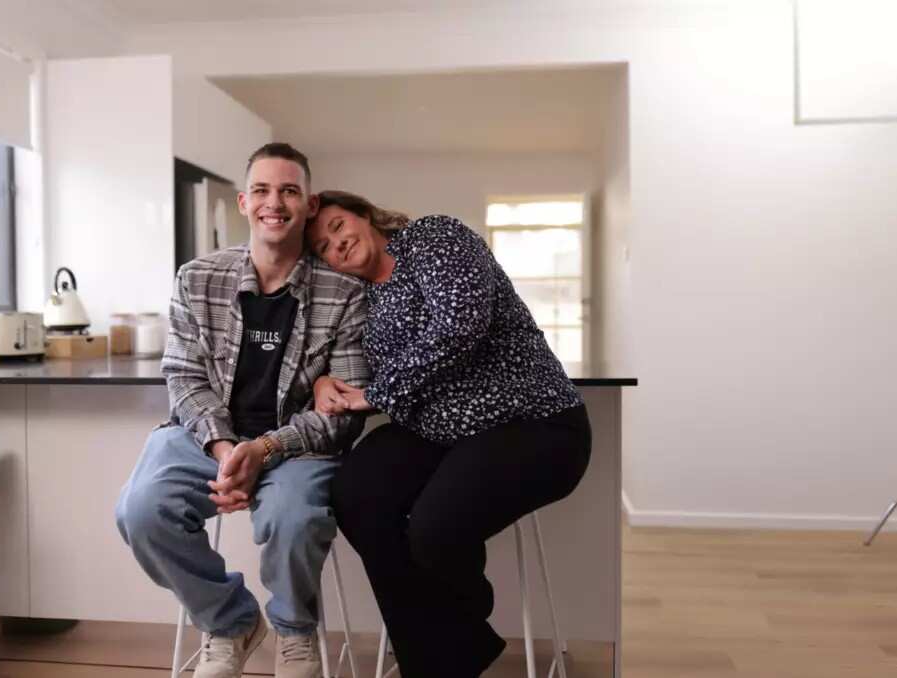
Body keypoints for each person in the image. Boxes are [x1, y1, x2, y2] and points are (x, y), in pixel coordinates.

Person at [307, 191, 592, 678]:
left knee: (434, 529)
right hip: (442, 434)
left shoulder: (433, 237)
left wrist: (378, 394)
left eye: (337, 225)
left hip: (532, 421)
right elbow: (336, 361)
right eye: (324, 247)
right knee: (356, 493)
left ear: (363, 213)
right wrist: (322, 381)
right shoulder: (362, 300)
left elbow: (461, 324)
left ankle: (455, 635)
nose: (338, 244)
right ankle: (443, 652)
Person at [115, 146, 369, 678]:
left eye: (289, 191)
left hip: (298, 447)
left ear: (309, 203)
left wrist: (265, 448)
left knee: (294, 518)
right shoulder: (197, 278)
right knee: (141, 511)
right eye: (263, 190)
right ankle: (229, 622)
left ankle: (295, 633)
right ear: (243, 202)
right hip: (205, 438)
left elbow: (345, 409)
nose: (274, 203)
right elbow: (183, 377)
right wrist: (227, 449)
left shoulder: (344, 292)